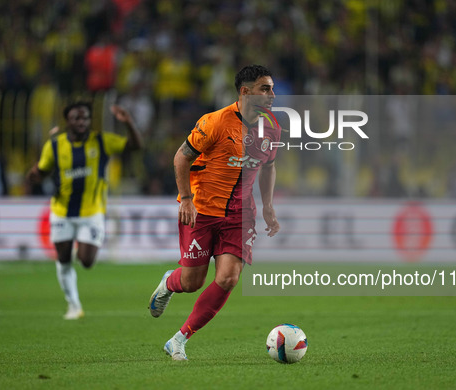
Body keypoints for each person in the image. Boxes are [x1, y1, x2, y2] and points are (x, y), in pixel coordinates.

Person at [148, 64, 281, 360]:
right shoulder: (216, 122)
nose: (272, 94)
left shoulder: (272, 126)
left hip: (240, 215)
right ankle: (171, 281)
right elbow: (181, 158)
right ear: (245, 92)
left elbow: (269, 166)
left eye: (272, 88)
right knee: (191, 282)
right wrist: (185, 199)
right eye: (265, 88)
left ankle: (179, 339)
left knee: (228, 279)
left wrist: (269, 205)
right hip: (203, 211)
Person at [27, 101, 142, 319]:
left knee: (87, 261)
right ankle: (74, 305)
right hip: (61, 210)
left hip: (92, 212)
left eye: (85, 118)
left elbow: (135, 147)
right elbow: (41, 172)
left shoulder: (101, 141)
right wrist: (33, 175)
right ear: (67, 121)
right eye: (77, 118)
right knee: (63, 258)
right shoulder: (54, 145)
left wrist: (128, 123)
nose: (82, 122)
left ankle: (76, 259)